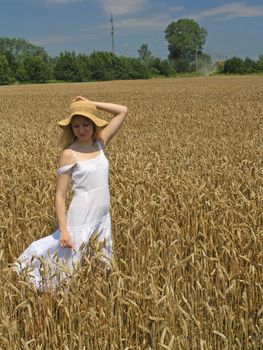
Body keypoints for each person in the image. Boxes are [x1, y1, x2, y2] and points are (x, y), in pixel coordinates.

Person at [12, 96, 128, 292]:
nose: (81, 130)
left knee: (99, 267)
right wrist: (64, 230)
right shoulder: (69, 153)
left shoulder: (100, 142)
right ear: (70, 129)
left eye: (85, 124)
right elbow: (60, 194)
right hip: (81, 217)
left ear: (93, 124)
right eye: (75, 126)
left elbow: (122, 110)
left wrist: (92, 103)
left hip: (101, 217)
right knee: (67, 269)